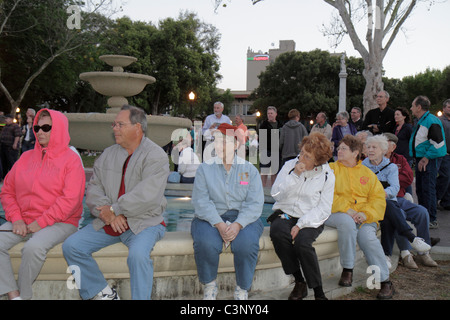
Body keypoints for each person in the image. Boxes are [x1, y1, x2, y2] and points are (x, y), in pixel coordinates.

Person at [62, 105, 169, 300]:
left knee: (137, 256)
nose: (114, 128)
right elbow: (94, 187)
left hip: (144, 222)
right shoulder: (108, 154)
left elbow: (148, 195)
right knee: (71, 246)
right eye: (114, 124)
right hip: (109, 221)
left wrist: (115, 209)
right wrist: (107, 213)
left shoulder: (156, 156)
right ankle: (103, 293)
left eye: (120, 124)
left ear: (138, 127)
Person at [0, 109, 85, 300]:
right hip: (23, 221)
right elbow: (7, 191)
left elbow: (70, 200)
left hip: (61, 223)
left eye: (46, 127)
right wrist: (17, 219)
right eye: (37, 127)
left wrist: (41, 222)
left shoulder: (71, 161)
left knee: (33, 248)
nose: (40, 132)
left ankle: (24, 295)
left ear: (60, 129)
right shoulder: (25, 157)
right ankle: (14, 296)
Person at [191, 123, 264, 300]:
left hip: (243, 218)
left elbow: (254, 203)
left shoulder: (249, 170)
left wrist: (238, 224)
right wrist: (219, 223)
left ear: (236, 144)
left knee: (247, 244)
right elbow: (201, 201)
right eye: (217, 141)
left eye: (225, 141)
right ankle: (209, 286)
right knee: (205, 243)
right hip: (210, 217)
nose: (219, 146)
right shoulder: (204, 169)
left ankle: (242, 289)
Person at [325, 135, 393, 299]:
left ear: (355, 152)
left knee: (368, 238)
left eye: (343, 149)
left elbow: (377, 198)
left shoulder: (367, 174)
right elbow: (326, 194)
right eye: (339, 148)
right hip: (337, 213)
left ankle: (385, 282)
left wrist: (365, 214)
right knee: (347, 222)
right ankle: (348, 269)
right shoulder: (330, 169)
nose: (338, 151)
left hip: (363, 217)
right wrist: (347, 210)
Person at [269, 132, 335, 300]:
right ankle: (299, 282)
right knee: (277, 233)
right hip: (285, 213)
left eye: (307, 156)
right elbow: (275, 193)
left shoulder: (327, 175)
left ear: (317, 161)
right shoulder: (290, 165)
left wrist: (301, 224)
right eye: (302, 153)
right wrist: (295, 176)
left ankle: (319, 293)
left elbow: (324, 208)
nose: (301, 158)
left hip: (311, 217)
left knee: (303, 243)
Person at [362, 135, 433, 270]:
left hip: (389, 200)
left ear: (383, 149)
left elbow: (395, 188)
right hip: (371, 203)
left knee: (390, 210)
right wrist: (377, 195)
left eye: (374, 147)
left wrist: (380, 194)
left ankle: (388, 254)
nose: (370, 150)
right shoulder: (362, 167)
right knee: (390, 208)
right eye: (368, 147)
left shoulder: (392, 166)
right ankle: (411, 239)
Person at [383, 133, 438, 268]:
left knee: (422, 212)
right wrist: (393, 180)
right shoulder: (374, 160)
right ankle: (406, 253)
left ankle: (423, 252)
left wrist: (391, 180)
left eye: (385, 142)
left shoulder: (400, 159)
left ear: (393, 146)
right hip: (387, 200)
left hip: (400, 197)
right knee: (399, 215)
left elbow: (408, 179)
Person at [409, 96, 447, 228]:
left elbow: (438, 143)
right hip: (422, 158)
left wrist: (425, 158)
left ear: (419, 107)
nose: (411, 108)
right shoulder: (422, 120)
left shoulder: (431, 120)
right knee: (421, 188)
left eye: (413, 106)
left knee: (428, 188)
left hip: (428, 159)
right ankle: (424, 216)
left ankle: (431, 219)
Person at [258, 106, 283, 187]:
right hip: (266, 151)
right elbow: (261, 139)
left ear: (276, 114)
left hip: (276, 151)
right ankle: (263, 190)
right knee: (264, 172)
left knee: (274, 172)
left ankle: (273, 190)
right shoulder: (263, 125)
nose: (270, 115)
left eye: (271, 113)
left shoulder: (280, 125)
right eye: (268, 113)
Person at [437, 99, 450, 210]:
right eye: (449, 107)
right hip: (444, 154)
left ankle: (446, 202)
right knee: (445, 177)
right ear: (444, 108)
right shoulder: (439, 120)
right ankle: (435, 198)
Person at [0, 114, 22, 178]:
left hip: (11, 147)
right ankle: (4, 177)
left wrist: (15, 144)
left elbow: (17, 135)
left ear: (11, 119)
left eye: (7, 118)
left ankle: (13, 177)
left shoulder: (15, 126)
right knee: (4, 162)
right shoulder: (5, 126)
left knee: (11, 162)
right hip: (4, 146)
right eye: (5, 119)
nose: (5, 120)